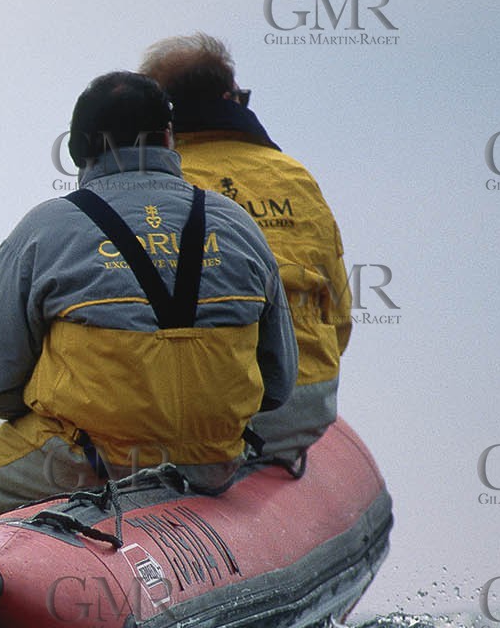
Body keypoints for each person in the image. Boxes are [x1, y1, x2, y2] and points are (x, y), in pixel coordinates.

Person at [0, 72, 297, 520]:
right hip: (210, 465)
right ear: (169, 138)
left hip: (90, 461)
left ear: (77, 150)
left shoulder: (45, 230)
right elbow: (279, 384)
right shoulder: (237, 222)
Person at [140, 32, 351, 459]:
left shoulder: (150, 188)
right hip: (304, 405)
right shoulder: (294, 175)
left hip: (199, 414)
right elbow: (340, 316)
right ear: (231, 98)